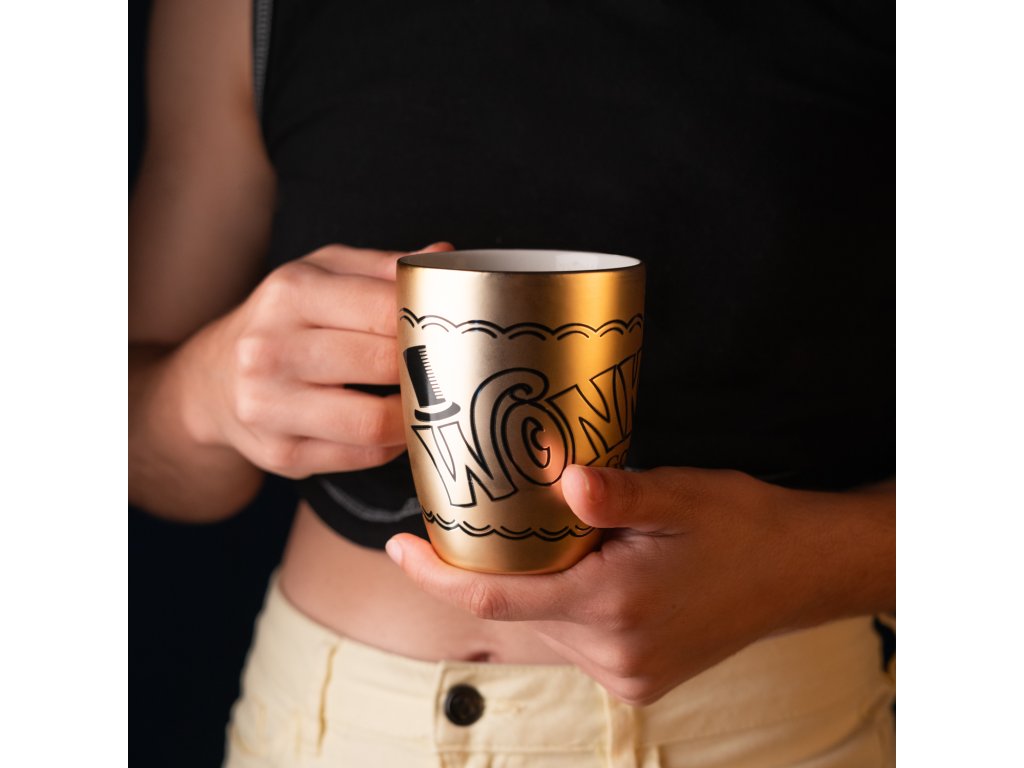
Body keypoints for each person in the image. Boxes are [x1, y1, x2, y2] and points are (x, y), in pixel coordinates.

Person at [129, 0, 895, 765]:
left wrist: (804, 567)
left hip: (772, 737)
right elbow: (132, 447)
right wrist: (201, 395)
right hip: (330, 733)